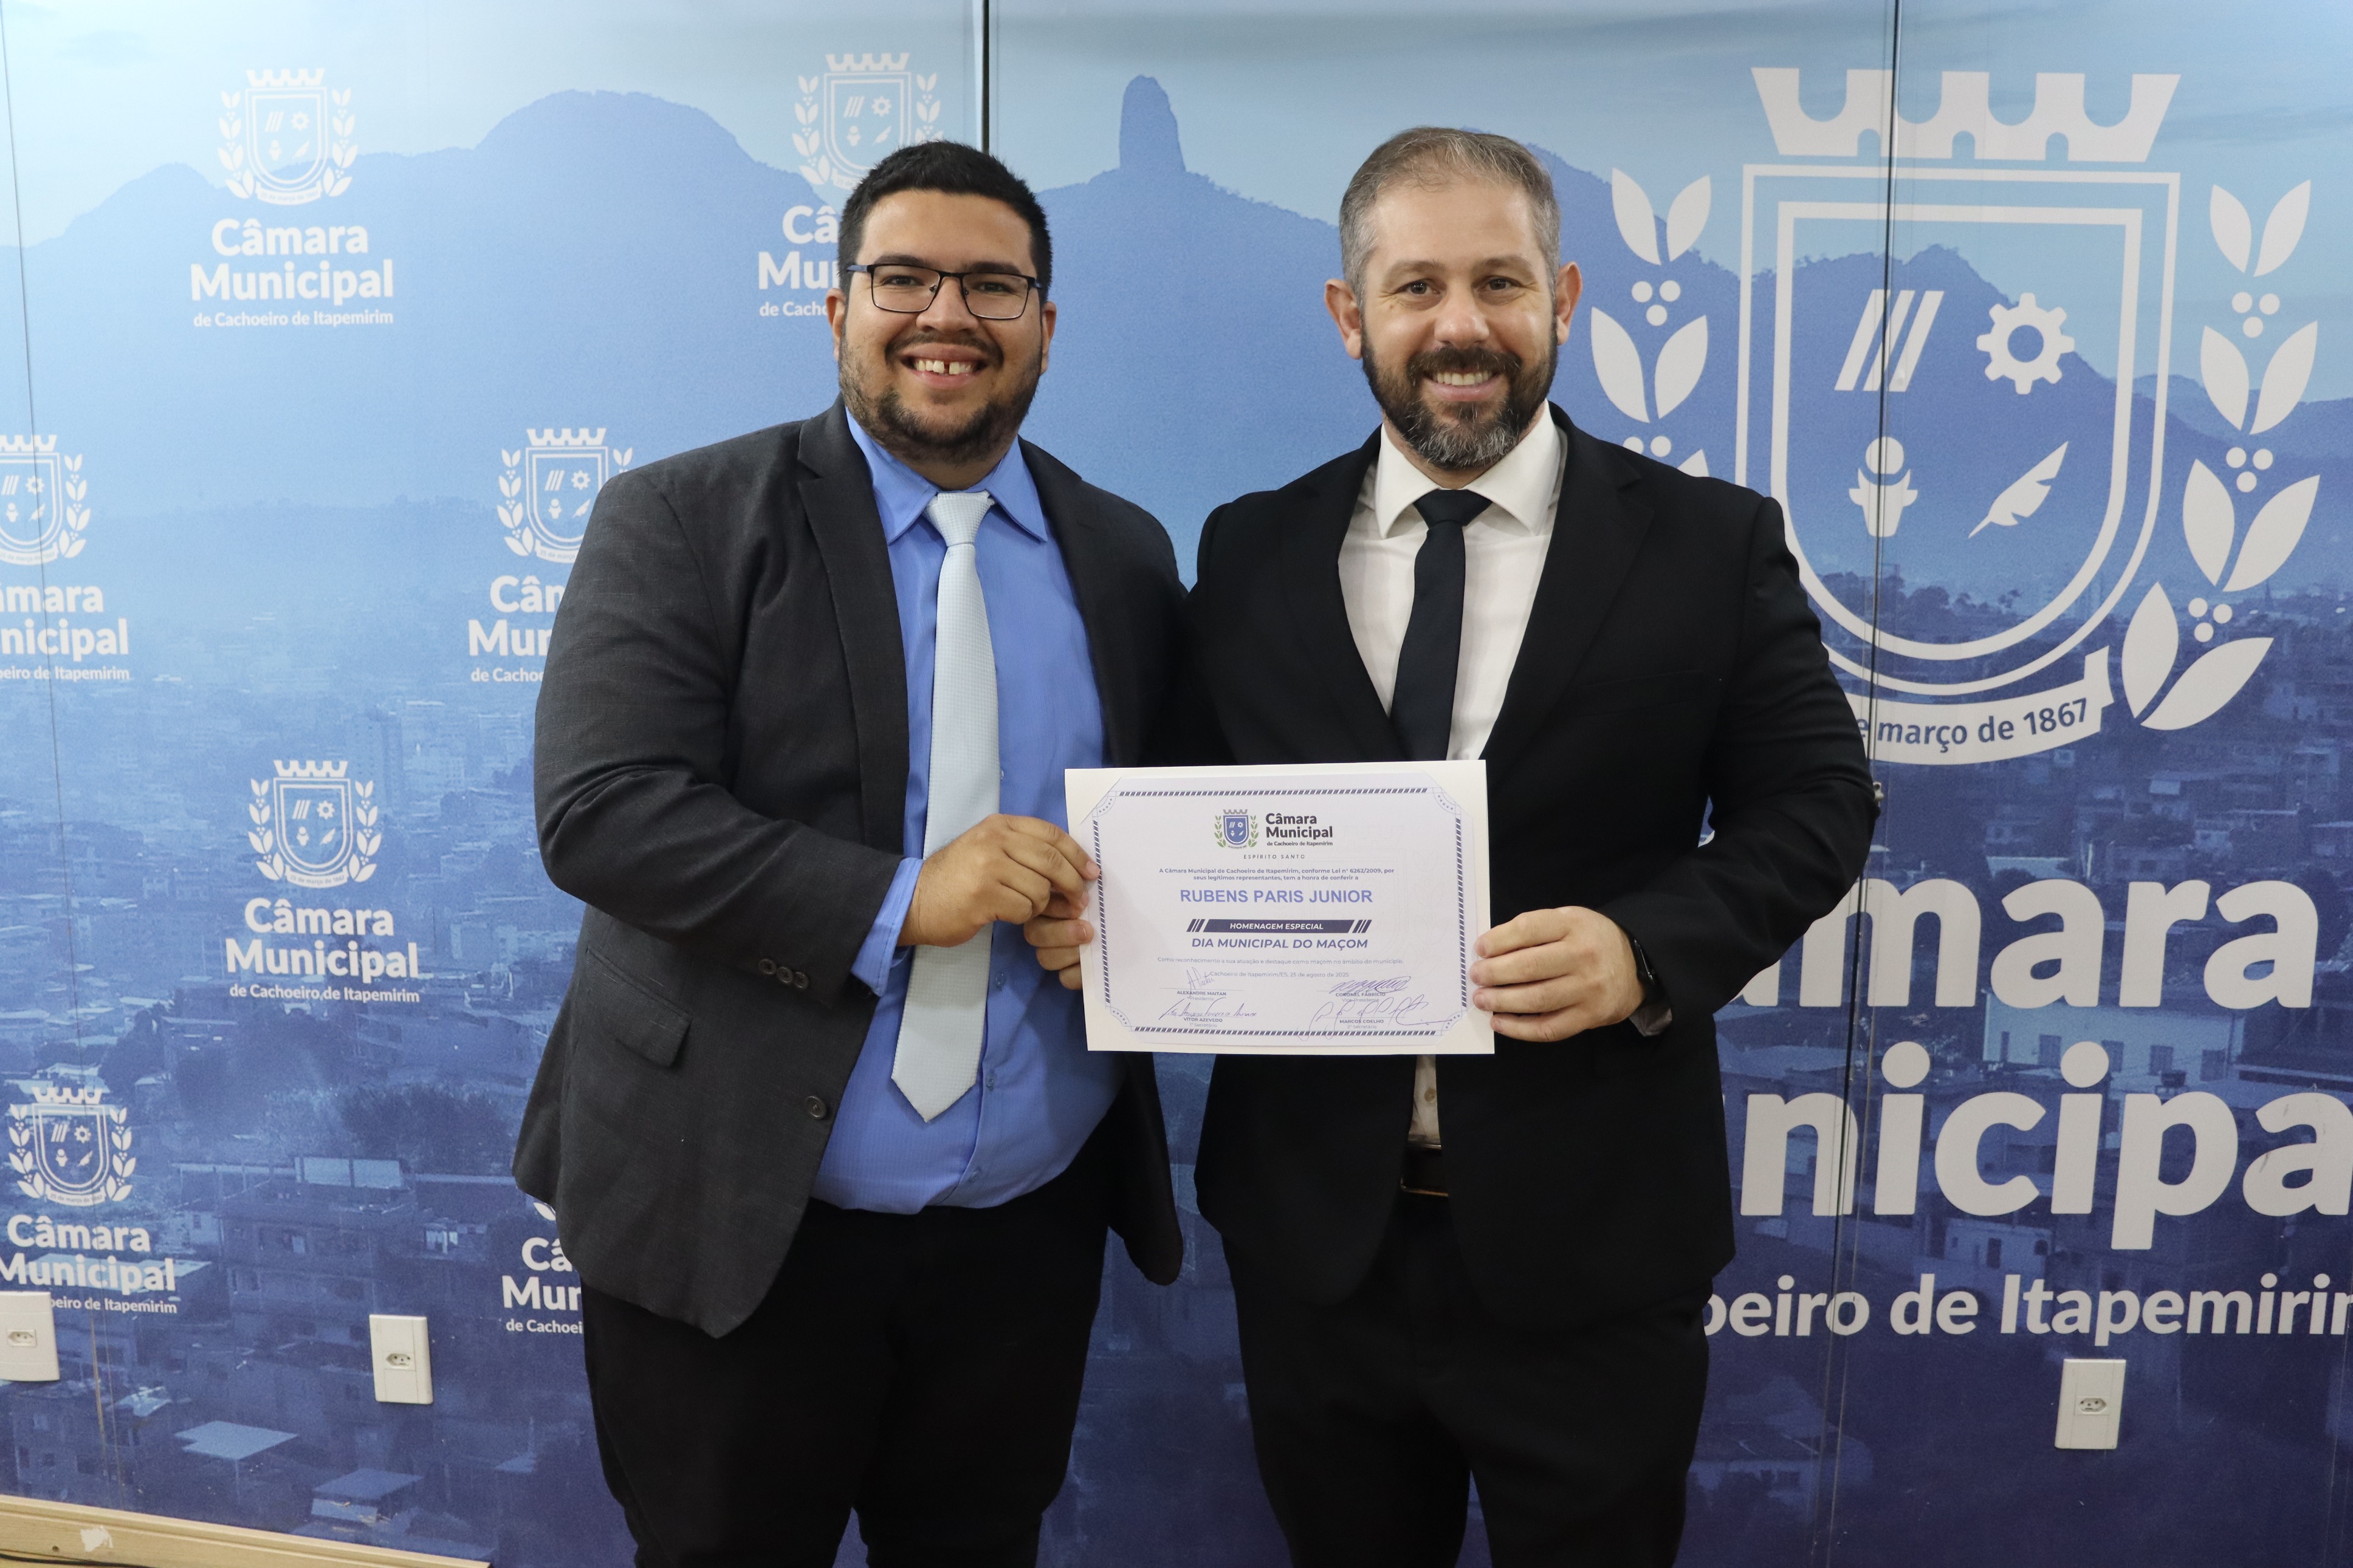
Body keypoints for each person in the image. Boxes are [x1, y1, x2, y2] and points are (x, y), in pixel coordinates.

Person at [1029, 127, 1875, 1566]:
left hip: (1596, 1241)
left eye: (1500, 282)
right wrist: (1103, 913)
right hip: (1314, 1245)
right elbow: (1177, 811)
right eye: (1415, 286)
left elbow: (1818, 804)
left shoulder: (1709, 543)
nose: (1460, 325)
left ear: (1565, 298)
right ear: (1348, 314)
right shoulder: (1251, 549)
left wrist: (1642, 949)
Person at [516, 140, 1186, 1568]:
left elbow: (1162, 826)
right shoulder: (683, 517)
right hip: (737, 1220)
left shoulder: (1125, 555)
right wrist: (901, 900)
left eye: (992, 285)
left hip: (1023, 1235)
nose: (947, 314)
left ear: (1044, 325)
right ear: (838, 309)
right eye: (903, 278)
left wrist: (1140, 927)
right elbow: (603, 808)